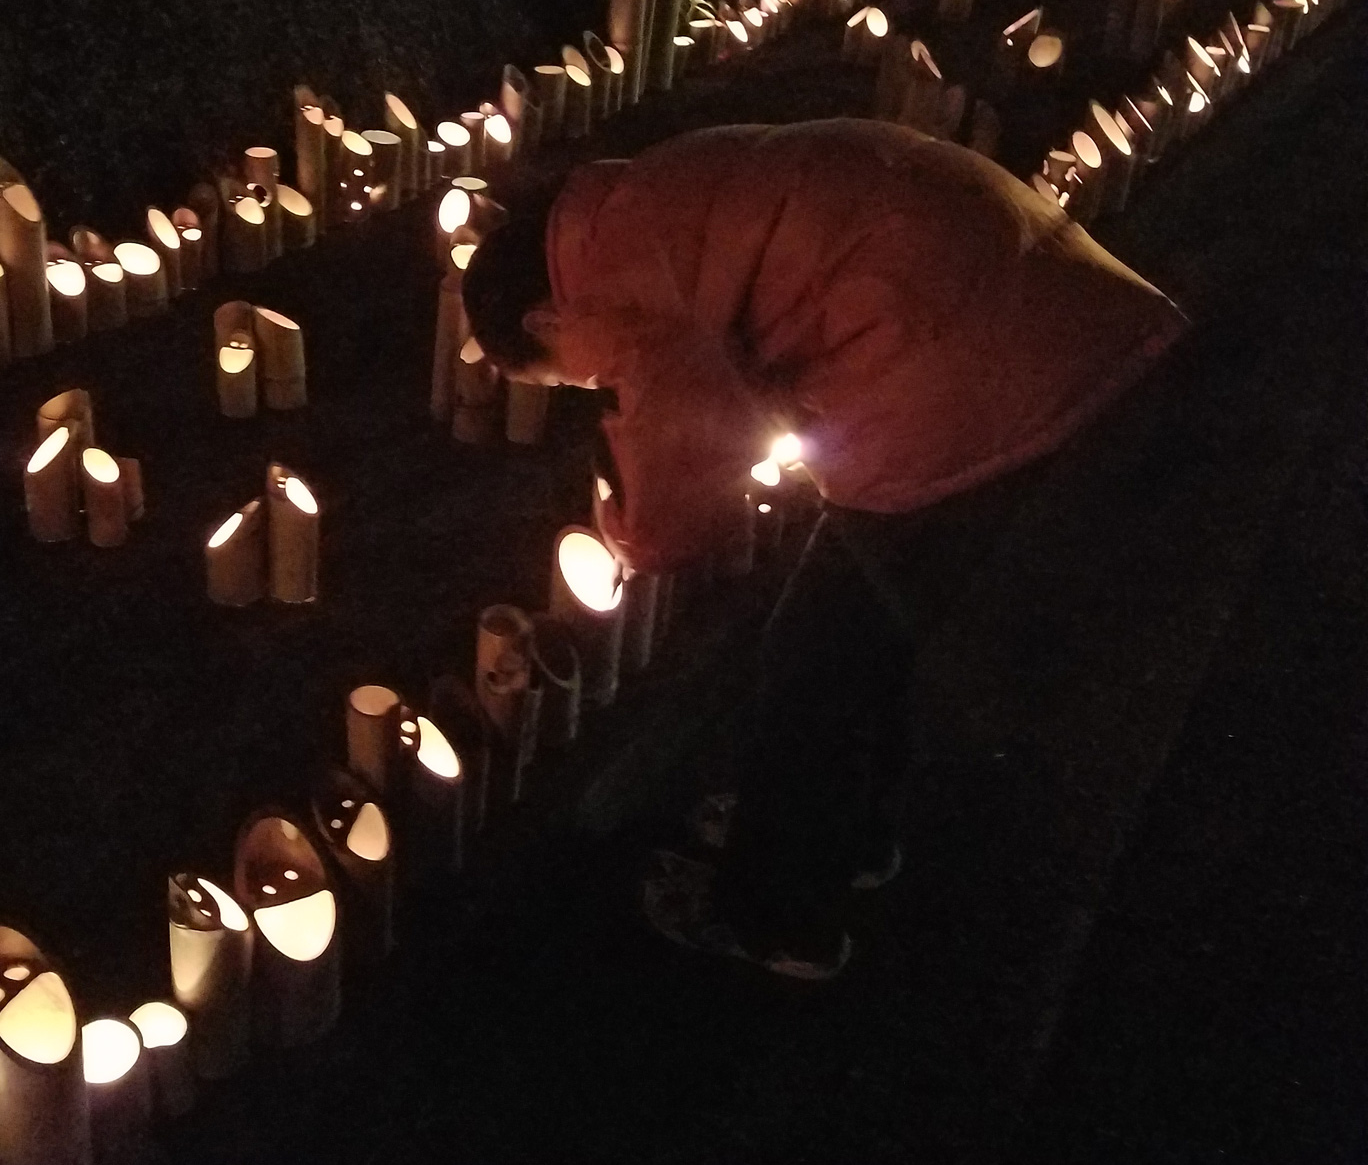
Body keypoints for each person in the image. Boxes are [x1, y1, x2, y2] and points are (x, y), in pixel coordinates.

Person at [462, 118, 1187, 981]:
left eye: (565, 375)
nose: (587, 385)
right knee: (870, 634)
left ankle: (779, 917)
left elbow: (680, 499)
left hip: (966, 370)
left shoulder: (619, 292)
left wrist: (625, 529)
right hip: (1023, 300)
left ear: (547, 316)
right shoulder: (629, 205)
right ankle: (848, 836)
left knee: (816, 662)